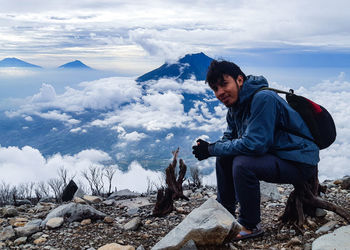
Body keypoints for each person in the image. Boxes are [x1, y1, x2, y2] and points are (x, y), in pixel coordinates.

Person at [192, 60, 319, 240]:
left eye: (224, 84)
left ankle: (251, 225)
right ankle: (224, 216)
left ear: (240, 80)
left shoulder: (263, 98)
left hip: (299, 161)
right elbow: (229, 138)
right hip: (279, 156)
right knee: (224, 157)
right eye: (215, 89)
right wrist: (209, 148)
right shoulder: (235, 107)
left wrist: (212, 149)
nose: (219, 92)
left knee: (243, 164)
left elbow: (255, 144)